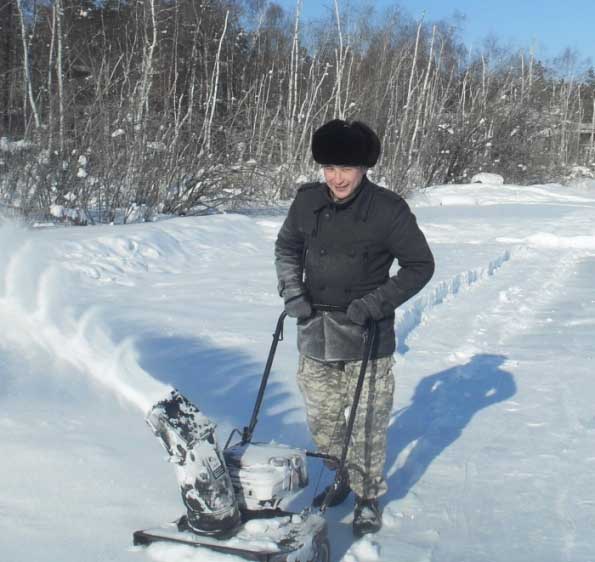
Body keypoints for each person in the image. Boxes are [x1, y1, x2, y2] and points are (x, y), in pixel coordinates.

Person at [274, 119, 435, 537]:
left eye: (346, 168)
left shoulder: (388, 209)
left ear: (364, 168)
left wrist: (374, 303)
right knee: (324, 423)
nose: (337, 178)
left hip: (367, 336)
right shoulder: (307, 202)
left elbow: (420, 265)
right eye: (329, 167)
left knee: (366, 423)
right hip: (315, 329)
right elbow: (287, 246)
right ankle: (339, 473)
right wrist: (293, 290)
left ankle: (367, 496)